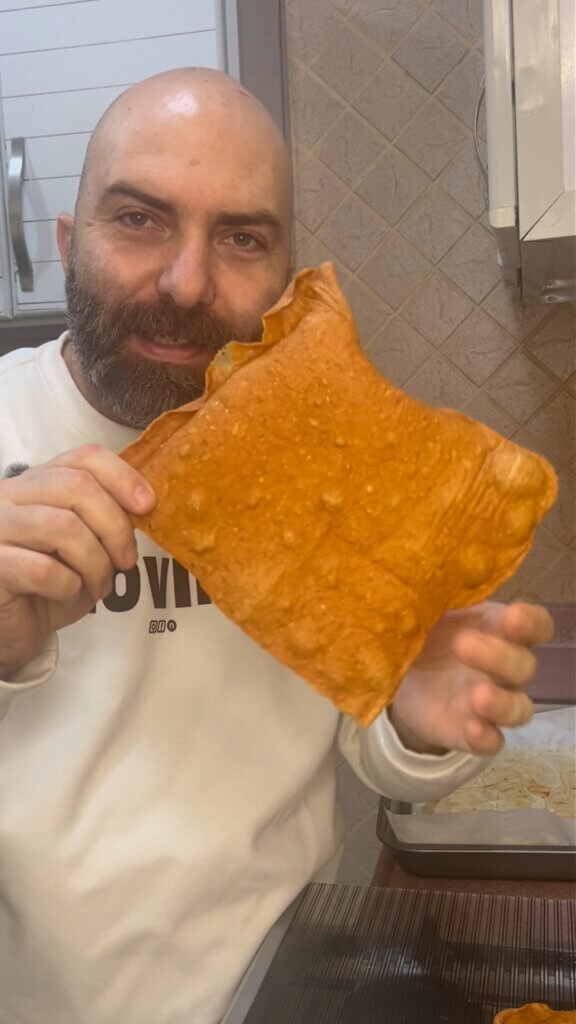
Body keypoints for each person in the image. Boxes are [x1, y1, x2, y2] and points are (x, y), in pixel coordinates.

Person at [0, 68, 552, 1024]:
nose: (187, 281)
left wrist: (414, 722)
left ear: (287, 270)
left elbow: (374, 754)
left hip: (292, 996)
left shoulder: (326, 458)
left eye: (242, 237)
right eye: (139, 219)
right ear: (64, 242)